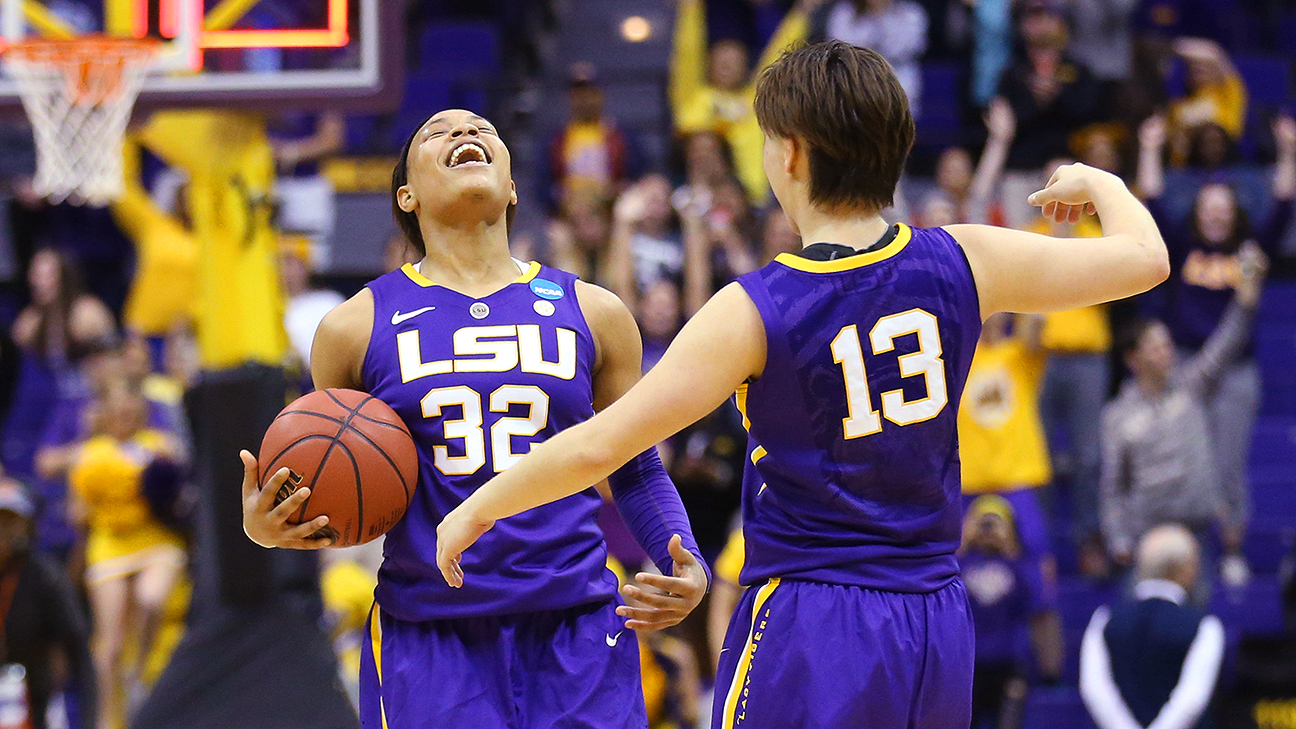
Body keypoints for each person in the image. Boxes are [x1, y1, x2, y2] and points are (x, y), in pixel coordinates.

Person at [436, 41, 1169, 728]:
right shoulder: (966, 259)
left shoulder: (755, 307)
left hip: (813, 622)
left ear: (789, 153)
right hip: (936, 621)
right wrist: (1100, 180)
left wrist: (474, 510)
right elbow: (1146, 258)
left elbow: (601, 443)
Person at [240, 108, 710, 729]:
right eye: (436, 133)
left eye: (483, 131)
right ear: (405, 195)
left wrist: (685, 557)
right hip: (431, 630)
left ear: (514, 186)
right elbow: (333, 481)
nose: (465, 134)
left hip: (576, 620)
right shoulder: (352, 327)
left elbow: (634, 462)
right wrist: (273, 528)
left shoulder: (595, 311)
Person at [1136, 113, 1296, 584]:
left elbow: (1285, 205)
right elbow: (1153, 203)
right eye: (1209, 206)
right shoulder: (1182, 245)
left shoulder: (1250, 248)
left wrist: (1288, 153)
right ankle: (1184, 558)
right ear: (1198, 211)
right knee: (1183, 462)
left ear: (1235, 212)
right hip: (1184, 367)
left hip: (1234, 373)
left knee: (1228, 465)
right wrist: (1150, 146)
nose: (1216, 214)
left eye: (1224, 207)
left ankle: (1231, 550)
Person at [1100, 242, 1267, 582]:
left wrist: (1247, 299)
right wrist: (1118, 538)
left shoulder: (1192, 386)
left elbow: (1226, 343)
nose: (1165, 353)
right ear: (1133, 360)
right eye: (1155, 347)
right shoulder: (1117, 415)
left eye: (1167, 345)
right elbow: (1113, 487)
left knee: (1195, 621)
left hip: (1197, 532)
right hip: (1147, 538)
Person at [68, 378, 185, 729]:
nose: (125, 417)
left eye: (131, 411)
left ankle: (140, 676)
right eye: (118, 412)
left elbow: (179, 485)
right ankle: (109, 718)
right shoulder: (89, 454)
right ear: (105, 415)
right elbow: (78, 514)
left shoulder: (160, 445)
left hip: (155, 538)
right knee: (110, 644)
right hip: (109, 541)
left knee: (151, 599)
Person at [1079, 525, 1225, 729]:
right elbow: (1191, 700)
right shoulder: (1205, 626)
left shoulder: (1104, 618)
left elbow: (1095, 691)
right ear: (1186, 569)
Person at [958, 313, 1057, 584]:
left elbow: (1037, 320)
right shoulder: (957, 357)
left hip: (1018, 477)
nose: (990, 315)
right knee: (952, 569)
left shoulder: (1019, 354)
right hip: (968, 480)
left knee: (1040, 571)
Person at [0, 476, 96, 729]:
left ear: (27, 527)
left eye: (10, 521)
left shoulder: (46, 577)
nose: (2, 529)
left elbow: (78, 650)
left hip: (35, 691)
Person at [959, 496, 1062, 729]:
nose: (988, 529)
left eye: (995, 522)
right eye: (982, 522)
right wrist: (963, 545)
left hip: (1009, 663)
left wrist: (1011, 551)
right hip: (969, 666)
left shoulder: (1019, 566)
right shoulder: (960, 565)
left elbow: (1037, 603)